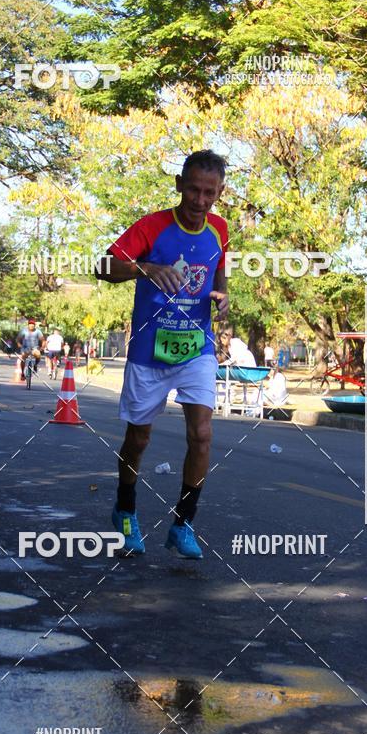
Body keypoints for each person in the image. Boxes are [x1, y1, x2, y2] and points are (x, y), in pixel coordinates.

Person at [95, 149, 229, 559]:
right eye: (193, 190)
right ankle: (126, 508)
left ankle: (183, 523)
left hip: (197, 348)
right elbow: (102, 265)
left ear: (220, 193)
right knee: (139, 440)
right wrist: (146, 268)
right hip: (149, 352)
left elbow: (218, 271)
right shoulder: (151, 227)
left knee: (202, 434)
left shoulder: (220, 230)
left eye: (209, 193)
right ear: (179, 185)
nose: (200, 201)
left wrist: (223, 296)